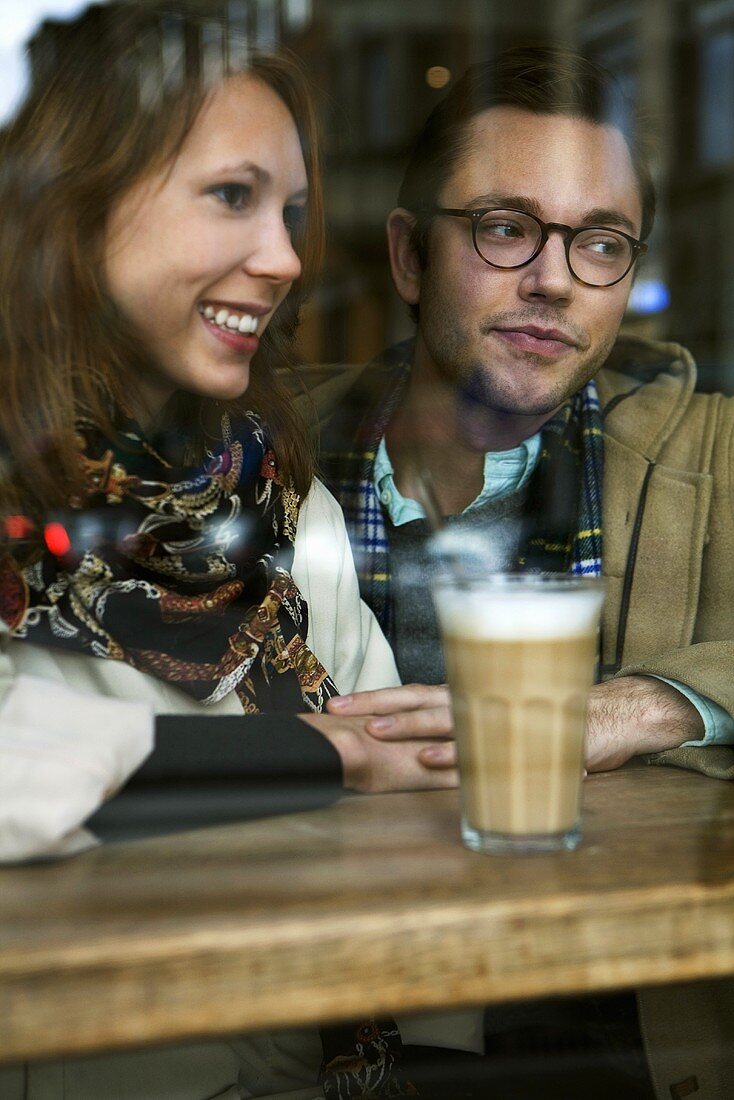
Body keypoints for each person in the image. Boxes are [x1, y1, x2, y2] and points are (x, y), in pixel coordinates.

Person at [0, 4, 464, 1097]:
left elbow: (406, 790)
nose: (287, 257)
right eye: (231, 196)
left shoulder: (274, 491)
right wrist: (326, 753)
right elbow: (23, 770)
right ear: (77, 198)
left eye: (294, 211)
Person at [303, 46, 734, 1100]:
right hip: (313, 1029)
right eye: (504, 227)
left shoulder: (713, 459)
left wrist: (640, 706)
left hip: (611, 1052)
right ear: (407, 257)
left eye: (598, 243)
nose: (551, 278)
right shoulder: (267, 456)